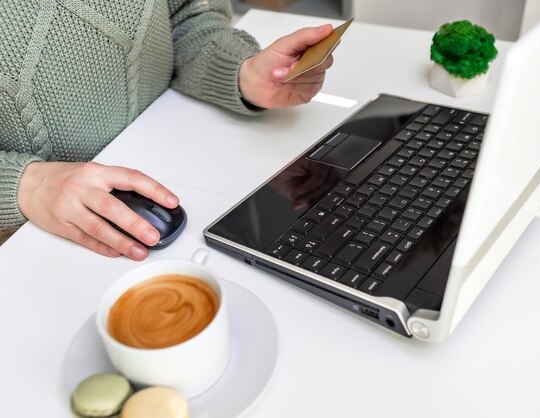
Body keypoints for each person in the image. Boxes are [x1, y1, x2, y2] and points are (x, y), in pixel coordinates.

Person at [0, 0, 334, 259]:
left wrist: (240, 73)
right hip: (35, 238)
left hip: (189, 158)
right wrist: (25, 185)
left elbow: (187, 15)